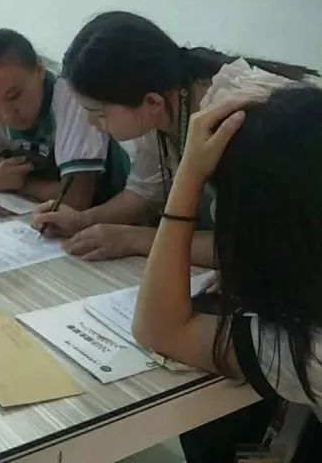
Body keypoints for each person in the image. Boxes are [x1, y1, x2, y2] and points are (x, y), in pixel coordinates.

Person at [132, 87, 322, 462]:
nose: (216, 214)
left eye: (225, 201)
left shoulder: (310, 353)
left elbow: (161, 329)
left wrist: (189, 173)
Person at [32, 11, 315, 262]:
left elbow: (252, 249)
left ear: (151, 102)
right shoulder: (167, 99)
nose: (91, 123)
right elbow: (146, 192)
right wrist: (83, 220)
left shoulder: (236, 121)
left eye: (98, 113)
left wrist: (135, 239)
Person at [0, 28, 129, 206]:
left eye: (15, 96)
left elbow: (75, 199)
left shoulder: (73, 99)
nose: (6, 115)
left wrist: (20, 184)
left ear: (39, 69)